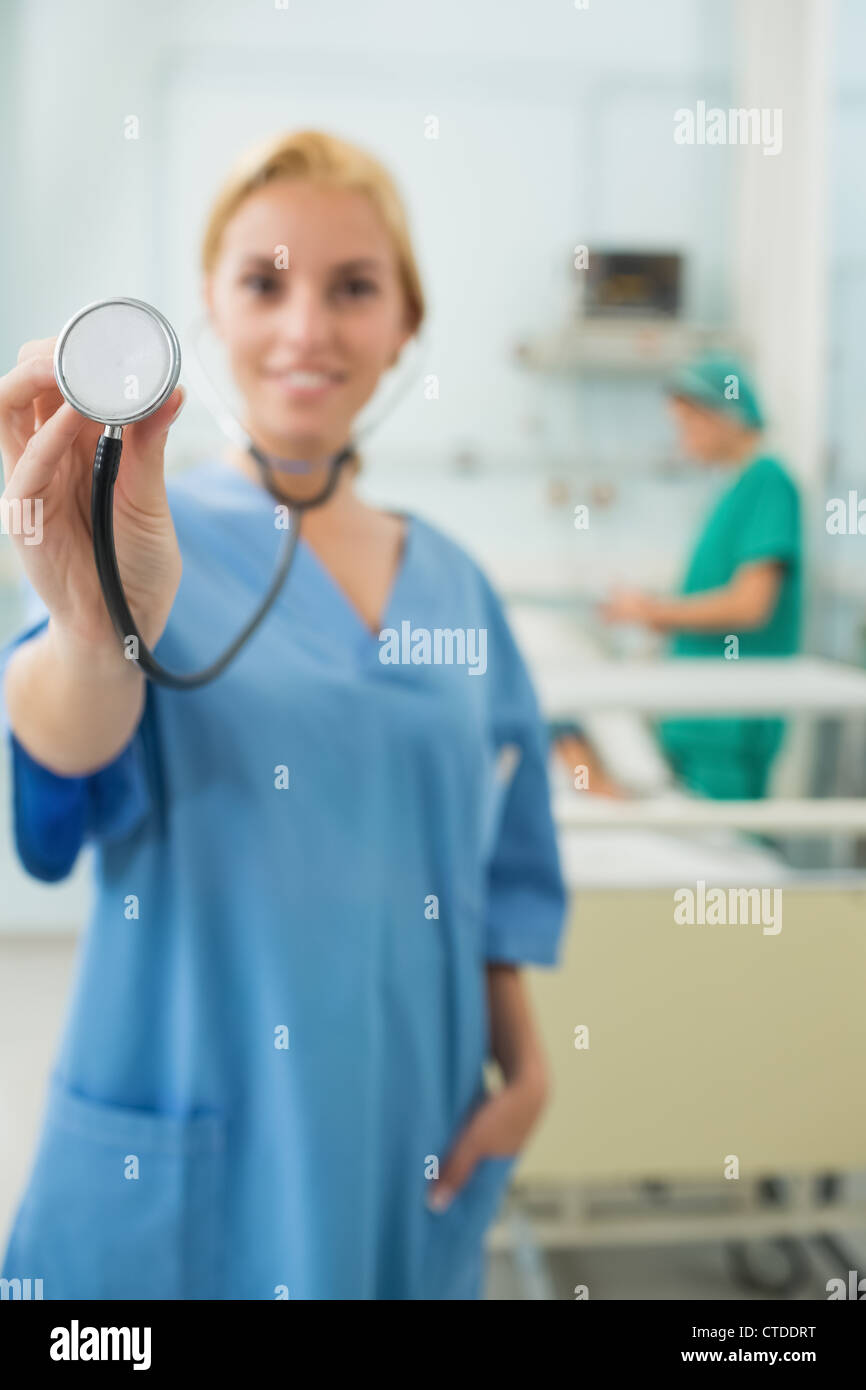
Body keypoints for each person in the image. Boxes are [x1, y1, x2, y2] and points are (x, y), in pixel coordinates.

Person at [0, 130, 566, 1300]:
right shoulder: (137, 537)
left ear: (404, 323)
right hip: (199, 1102)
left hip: (409, 1106)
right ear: (209, 313)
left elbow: (500, 859)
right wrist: (94, 629)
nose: (305, 327)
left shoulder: (455, 581)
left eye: (352, 288)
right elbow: (58, 770)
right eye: (263, 282)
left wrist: (523, 1066)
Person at [601, 355, 802, 800]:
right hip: (701, 715)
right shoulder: (732, 489)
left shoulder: (767, 482)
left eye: (689, 424)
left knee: (730, 855)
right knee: (702, 849)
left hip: (729, 719)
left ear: (724, 417)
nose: (682, 438)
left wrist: (655, 611)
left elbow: (751, 604)